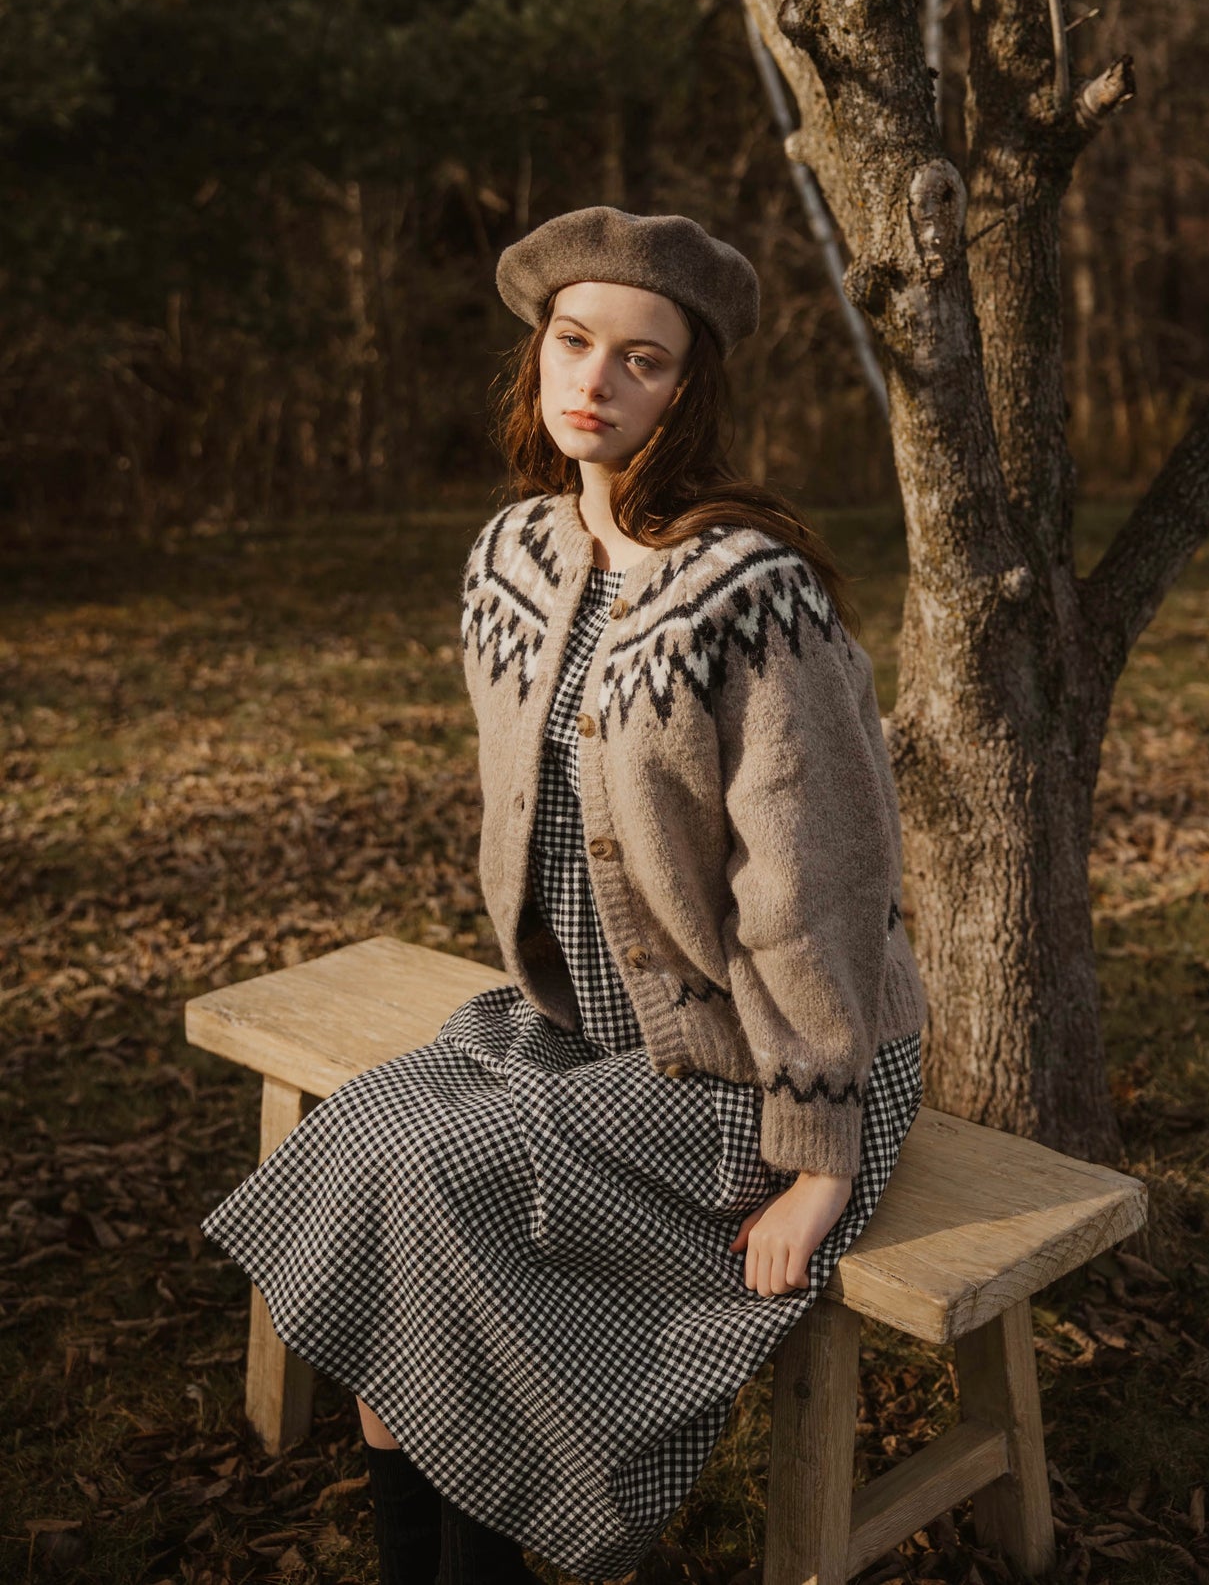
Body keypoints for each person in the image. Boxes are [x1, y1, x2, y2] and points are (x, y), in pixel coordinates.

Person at [200, 206, 930, 1585]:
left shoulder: (750, 595)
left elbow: (815, 890)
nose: (596, 379)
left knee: (436, 1190)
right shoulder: (511, 560)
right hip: (582, 1033)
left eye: (642, 359)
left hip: (763, 1068)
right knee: (363, 1151)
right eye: (573, 341)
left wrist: (818, 1165)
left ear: (689, 385)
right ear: (536, 352)